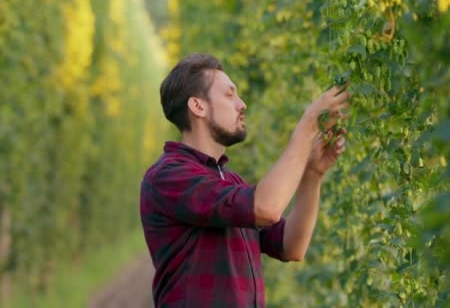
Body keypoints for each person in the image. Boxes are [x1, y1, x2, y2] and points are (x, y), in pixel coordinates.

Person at [140, 53, 350, 307]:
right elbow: (266, 208)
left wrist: (312, 174)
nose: (242, 104)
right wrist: (307, 128)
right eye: (229, 95)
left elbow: (291, 246)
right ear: (198, 106)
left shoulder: (229, 180)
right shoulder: (169, 176)